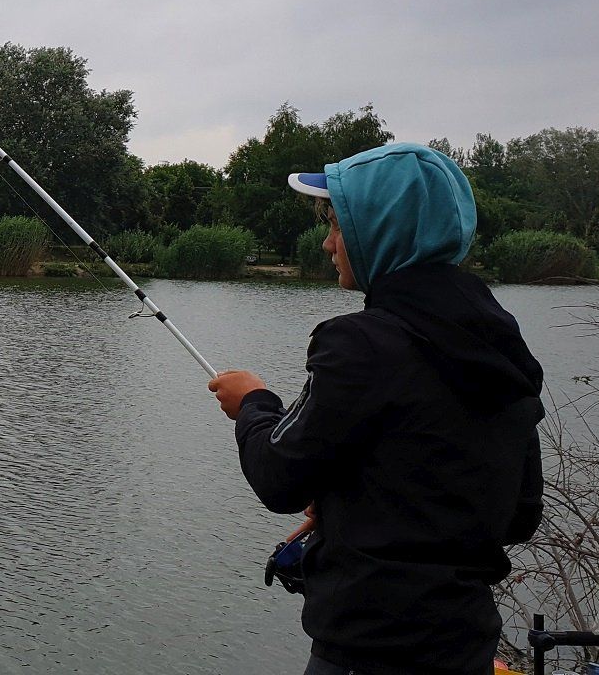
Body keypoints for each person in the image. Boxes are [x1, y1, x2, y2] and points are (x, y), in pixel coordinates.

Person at [206, 142, 545, 675]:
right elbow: (519, 512)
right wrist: (358, 504)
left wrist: (252, 402)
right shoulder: (497, 341)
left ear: (382, 230)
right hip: (464, 644)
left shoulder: (359, 342)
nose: (327, 243)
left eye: (339, 225)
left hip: (366, 650)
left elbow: (279, 476)